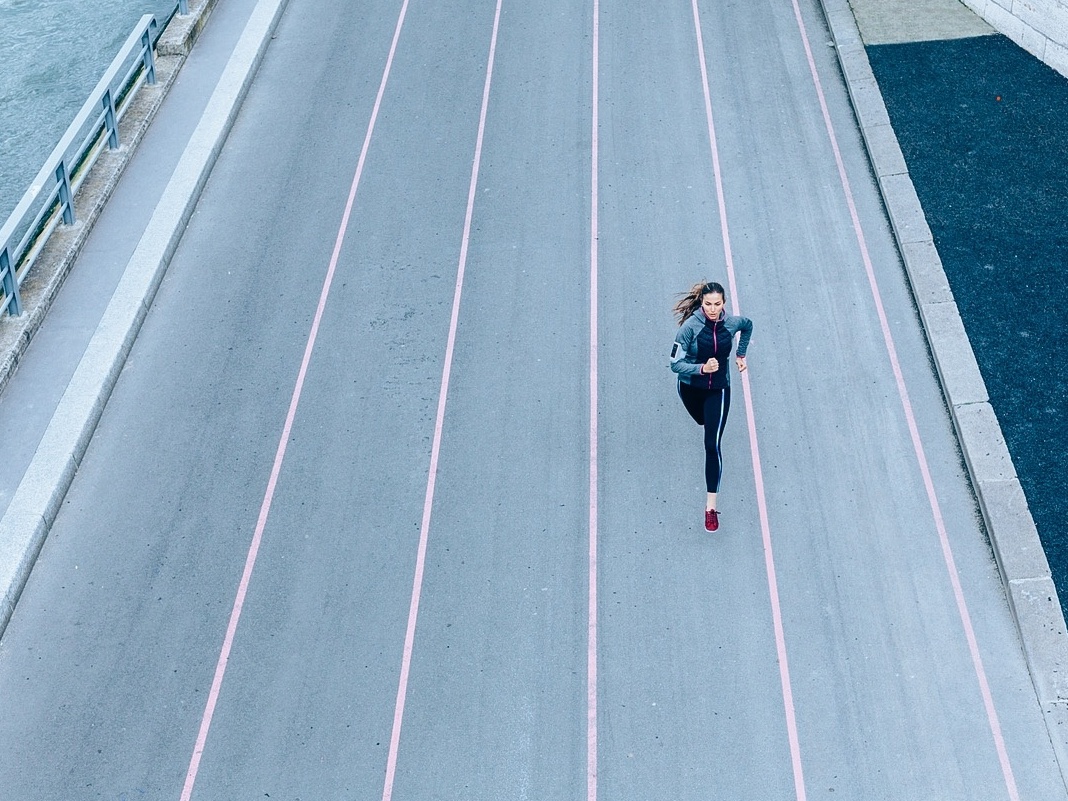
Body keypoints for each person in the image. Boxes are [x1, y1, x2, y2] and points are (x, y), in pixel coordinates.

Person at [670, 281, 752, 532]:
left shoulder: (733, 323)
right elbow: (674, 364)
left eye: (717, 304)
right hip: (691, 388)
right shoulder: (689, 328)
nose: (713, 309)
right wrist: (701, 369)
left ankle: (710, 507)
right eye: (708, 304)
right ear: (702, 303)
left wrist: (740, 354)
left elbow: (748, 326)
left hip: (718, 389)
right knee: (702, 421)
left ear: (724, 303)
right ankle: (706, 418)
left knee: (712, 443)